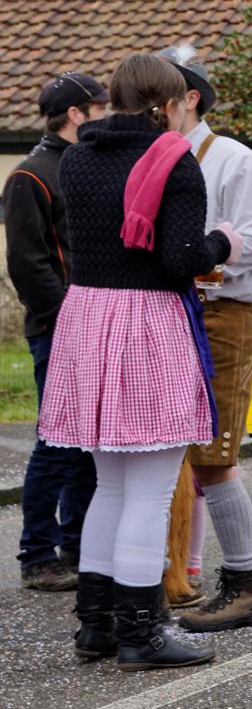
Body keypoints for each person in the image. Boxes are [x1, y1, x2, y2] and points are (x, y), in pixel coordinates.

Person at [42, 53, 241, 669]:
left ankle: (96, 628)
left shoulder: (76, 155)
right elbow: (182, 259)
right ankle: (142, 635)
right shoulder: (173, 159)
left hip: (88, 318)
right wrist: (224, 242)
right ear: (169, 104)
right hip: (146, 322)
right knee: (151, 492)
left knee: (111, 484)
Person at [141, 47, 252, 633]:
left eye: (155, 103)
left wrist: (200, 258)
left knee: (215, 455)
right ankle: (162, 573)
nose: (144, 114)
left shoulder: (234, 161)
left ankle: (246, 583)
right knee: (157, 451)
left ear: (188, 99)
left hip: (220, 313)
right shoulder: (153, 158)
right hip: (164, 313)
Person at [5, 74, 104, 593]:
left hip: (91, 325)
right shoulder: (31, 175)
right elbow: (28, 264)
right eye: (99, 107)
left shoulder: (84, 166)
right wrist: (71, 320)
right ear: (75, 114)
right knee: (56, 442)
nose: (106, 114)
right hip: (57, 329)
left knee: (88, 444)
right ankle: (36, 554)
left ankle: (78, 543)